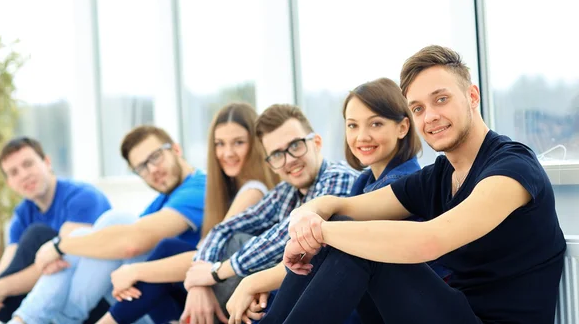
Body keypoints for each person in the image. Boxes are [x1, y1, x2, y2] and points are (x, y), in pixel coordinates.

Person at [261, 45, 566, 324]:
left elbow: (431, 239)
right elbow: (347, 207)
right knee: (346, 228)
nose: (430, 116)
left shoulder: (512, 168)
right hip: (451, 311)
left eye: (441, 100)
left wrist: (321, 233)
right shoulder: (441, 175)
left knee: (355, 242)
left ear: (472, 97)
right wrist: (307, 216)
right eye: (418, 108)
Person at [225, 78, 448, 324]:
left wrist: (255, 280)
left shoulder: (406, 182)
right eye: (352, 126)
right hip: (363, 301)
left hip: (404, 307)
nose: (362, 136)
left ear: (403, 127)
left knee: (342, 232)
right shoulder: (363, 182)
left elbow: (336, 248)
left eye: (375, 123)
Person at [95, 102, 279, 324]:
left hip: (241, 291)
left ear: (256, 144)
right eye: (220, 144)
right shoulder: (223, 191)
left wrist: (134, 271)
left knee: (166, 251)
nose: (227, 153)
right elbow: (205, 254)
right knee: (160, 264)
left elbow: (205, 255)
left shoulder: (253, 190)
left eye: (238, 142)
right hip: (221, 282)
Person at [175, 104, 358, 324]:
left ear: (316, 143)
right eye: (277, 155)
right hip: (289, 293)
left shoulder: (339, 177)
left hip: (333, 303)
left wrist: (218, 272)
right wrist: (198, 281)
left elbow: (290, 236)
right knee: (232, 241)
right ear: (271, 164)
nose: (289, 160)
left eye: (296, 146)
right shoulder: (285, 192)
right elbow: (225, 227)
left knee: (236, 248)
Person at [5, 125, 207, 324]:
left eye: (155, 157)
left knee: (113, 223)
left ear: (176, 150)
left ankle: (41, 319)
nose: (152, 169)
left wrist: (59, 246)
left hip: (178, 302)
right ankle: (29, 319)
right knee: (86, 236)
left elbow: (132, 243)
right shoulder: (162, 201)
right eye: (142, 167)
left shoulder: (200, 187)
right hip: (139, 301)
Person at [0, 137, 111, 323]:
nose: (23, 175)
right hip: (50, 299)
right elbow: (6, 269)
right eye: (14, 172)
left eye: (28, 164)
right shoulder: (23, 213)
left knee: (38, 236)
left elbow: (65, 262)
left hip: (95, 298)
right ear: (10, 183)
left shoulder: (83, 197)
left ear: (47, 162)